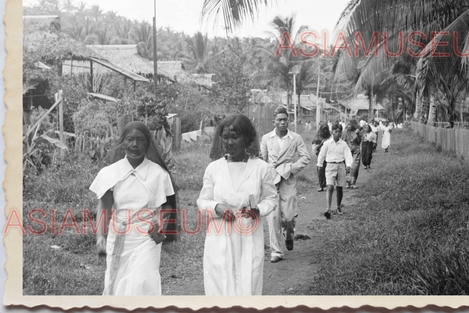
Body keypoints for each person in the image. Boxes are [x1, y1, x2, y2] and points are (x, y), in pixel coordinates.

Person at [90, 121, 177, 295]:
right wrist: (101, 236)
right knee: (117, 284)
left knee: (142, 282)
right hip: (119, 237)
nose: (135, 145)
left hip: (147, 238)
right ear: (123, 142)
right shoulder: (109, 173)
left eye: (140, 140)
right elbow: (105, 206)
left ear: (148, 143)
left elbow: (167, 205)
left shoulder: (159, 174)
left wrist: (161, 225)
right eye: (130, 139)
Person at [197, 114, 278, 295]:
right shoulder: (214, 169)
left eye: (235, 137)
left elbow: (271, 199)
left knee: (248, 282)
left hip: (248, 235)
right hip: (219, 236)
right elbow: (203, 201)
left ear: (247, 139)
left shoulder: (260, 168)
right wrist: (216, 207)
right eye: (225, 138)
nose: (229, 142)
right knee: (219, 285)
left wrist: (258, 210)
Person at [260, 106, 310, 263]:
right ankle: (276, 251)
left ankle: (289, 234)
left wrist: (290, 168)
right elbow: (262, 160)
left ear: (288, 121)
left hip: (288, 180)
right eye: (279, 120)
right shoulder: (266, 138)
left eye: (285, 119)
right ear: (274, 121)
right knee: (272, 217)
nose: (282, 122)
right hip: (271, 181)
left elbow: (305, 157)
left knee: (288, 217)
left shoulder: (295, 138)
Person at [317, 123, 352, 218]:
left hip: (340, 165)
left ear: (341, 132)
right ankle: (328, 208)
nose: (337, 133)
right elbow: (321, 154)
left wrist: (348, 165)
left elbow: (348, 155)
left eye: (339, 132)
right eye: (335, 131)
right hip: (330, 166)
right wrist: (319, 164)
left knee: (340, 187)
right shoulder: (327, 143)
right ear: (332, 132)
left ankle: (338, 206)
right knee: (330, 187)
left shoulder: (343, 144)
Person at [342, 119, 363, 189]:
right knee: (348, 166)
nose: (348, 126)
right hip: (347, 151)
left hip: (356, 150)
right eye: (348, 124)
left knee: (355, 166)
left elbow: (359, 142)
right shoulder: (345, 132)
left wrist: (357, 134)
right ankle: (348, 182)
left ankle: (353, 182)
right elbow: (343, 141)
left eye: (350, 124)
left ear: (353, 125)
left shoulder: (357, 131)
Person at [312, 122, 331, 192]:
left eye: (326, 129)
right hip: (320, 156)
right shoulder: (318, 137)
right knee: (320, 170)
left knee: (328, 171)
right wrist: (321, 144)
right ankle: (321, 186)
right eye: (324, 129)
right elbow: (314, 148)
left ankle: (327, 184)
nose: (325, 131)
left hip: (329, 156)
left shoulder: (330, 136)